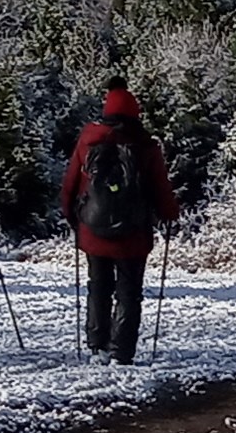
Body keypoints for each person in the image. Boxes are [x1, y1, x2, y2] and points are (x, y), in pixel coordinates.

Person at [63, 78, 180, 364]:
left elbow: (71, 183)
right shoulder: (145, 145)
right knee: (129, 292)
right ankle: (122, 351)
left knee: (98, 286)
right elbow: (160, 187)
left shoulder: (88, 140)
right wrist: (169, 214)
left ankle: (97, 345)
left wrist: (72, 215)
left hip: (94, 228)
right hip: (133, 233)